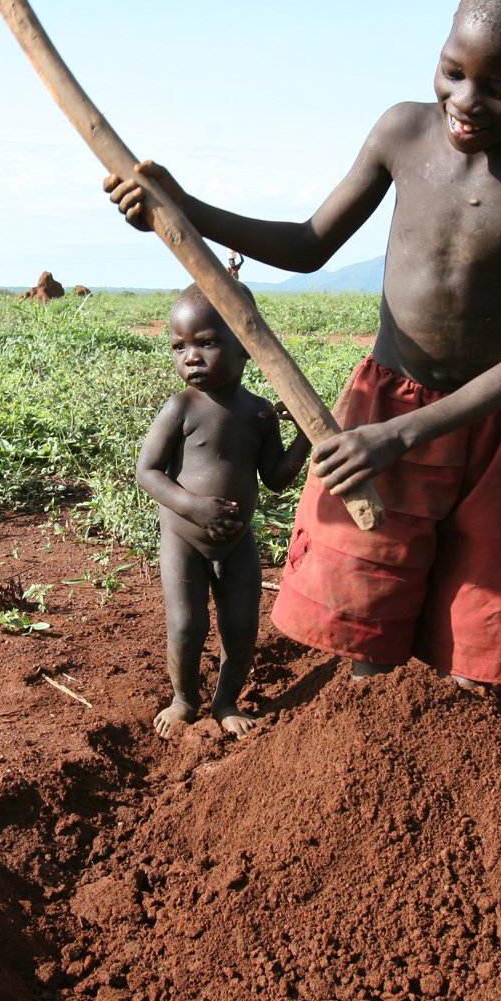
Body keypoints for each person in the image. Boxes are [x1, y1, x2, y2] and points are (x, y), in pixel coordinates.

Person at [107, 0, 501, 691]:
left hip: (488, 430)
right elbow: (309, 244)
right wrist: (184, 208)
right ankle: (371, 752)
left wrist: (401, 435)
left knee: (482, 635)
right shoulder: (402, 132)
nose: (466, 101)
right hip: (383, 405)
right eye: (453, 71)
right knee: (368, 615)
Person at [137, 286, 310, 738]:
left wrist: (305, 433)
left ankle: (226, 701)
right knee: (187, 624)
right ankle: (184, 699)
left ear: (246, 348)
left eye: (206, 343)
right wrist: (193, 508)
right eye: (179, 346)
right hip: (183, 537)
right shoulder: (181, 407)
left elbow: (274, 477)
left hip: (238, 540)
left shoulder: (259, 414)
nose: (190, 357)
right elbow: (148, 472)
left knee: (241, 627)